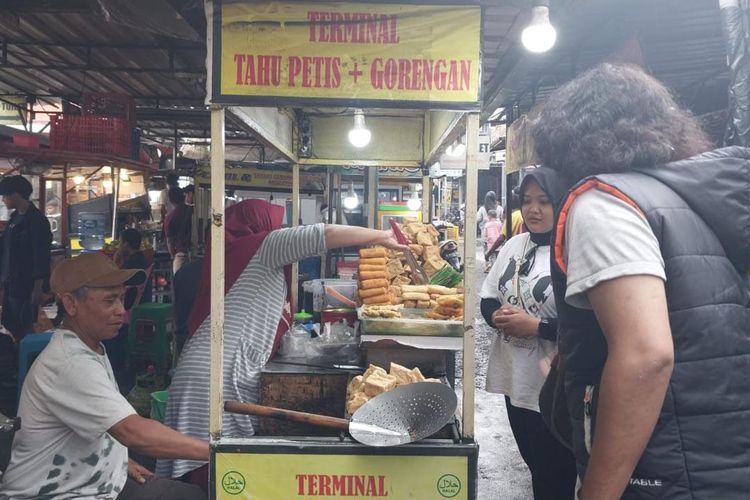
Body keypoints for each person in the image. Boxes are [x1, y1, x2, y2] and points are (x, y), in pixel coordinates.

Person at [532, 63, 750, 499]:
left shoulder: (603, 204)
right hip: (717, 456)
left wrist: (598, 492)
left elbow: (647, 355)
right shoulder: (684, 201)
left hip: (663, 472)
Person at [156, 200, 407, 485]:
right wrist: (382, 236)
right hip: (212, 377)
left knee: (219, 465)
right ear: (258, 225)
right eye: (275, 223)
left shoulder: (242, 256)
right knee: (211, 469)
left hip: (215, 370)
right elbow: (322, 234)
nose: (280, 229)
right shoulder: (262, 248)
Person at [0, 253, 207, 500]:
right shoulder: (71, 363)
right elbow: (133, 432)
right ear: (70, 304)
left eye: (122, 299)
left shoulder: (89, 346)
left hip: (90, 481)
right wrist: (215, 451)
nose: (121, 311)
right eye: (109, 301)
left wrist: (119, 461)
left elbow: (98, 419)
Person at [479, 168, 576, 500]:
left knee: (556, 472)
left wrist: (538, 328)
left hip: (554, 385)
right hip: (515, 378)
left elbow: (593, 325)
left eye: (544, 202)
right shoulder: (515, 245)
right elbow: (488, 295)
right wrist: (496, 315)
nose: (534, 210)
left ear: (562, 203)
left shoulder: (573, 251)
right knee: (536, 465)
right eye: (527, 201)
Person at [0, 175, 52, 341]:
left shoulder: (37, 221)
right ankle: (21, 354)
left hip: (25, 283)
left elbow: (41, 256)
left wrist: (37, 288)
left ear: (15, 194)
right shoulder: (14, 218)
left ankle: (27, 358)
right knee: (10, 322)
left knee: (24, 323)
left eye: (4, 195)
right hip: (10, 282)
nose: (3, 200)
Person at [163, 186, 192, 274]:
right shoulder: (193, 211)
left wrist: (172, 255)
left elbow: (170, 240)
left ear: (171, 200)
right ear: (183, 197)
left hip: (181, 255)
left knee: (181, 285)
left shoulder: (170, 217)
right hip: (198, 253)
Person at [485, 193, 523, 259]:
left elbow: (501, 238)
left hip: (514, 251)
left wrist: (489, 253)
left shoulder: (512, 217)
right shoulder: (523, 214)